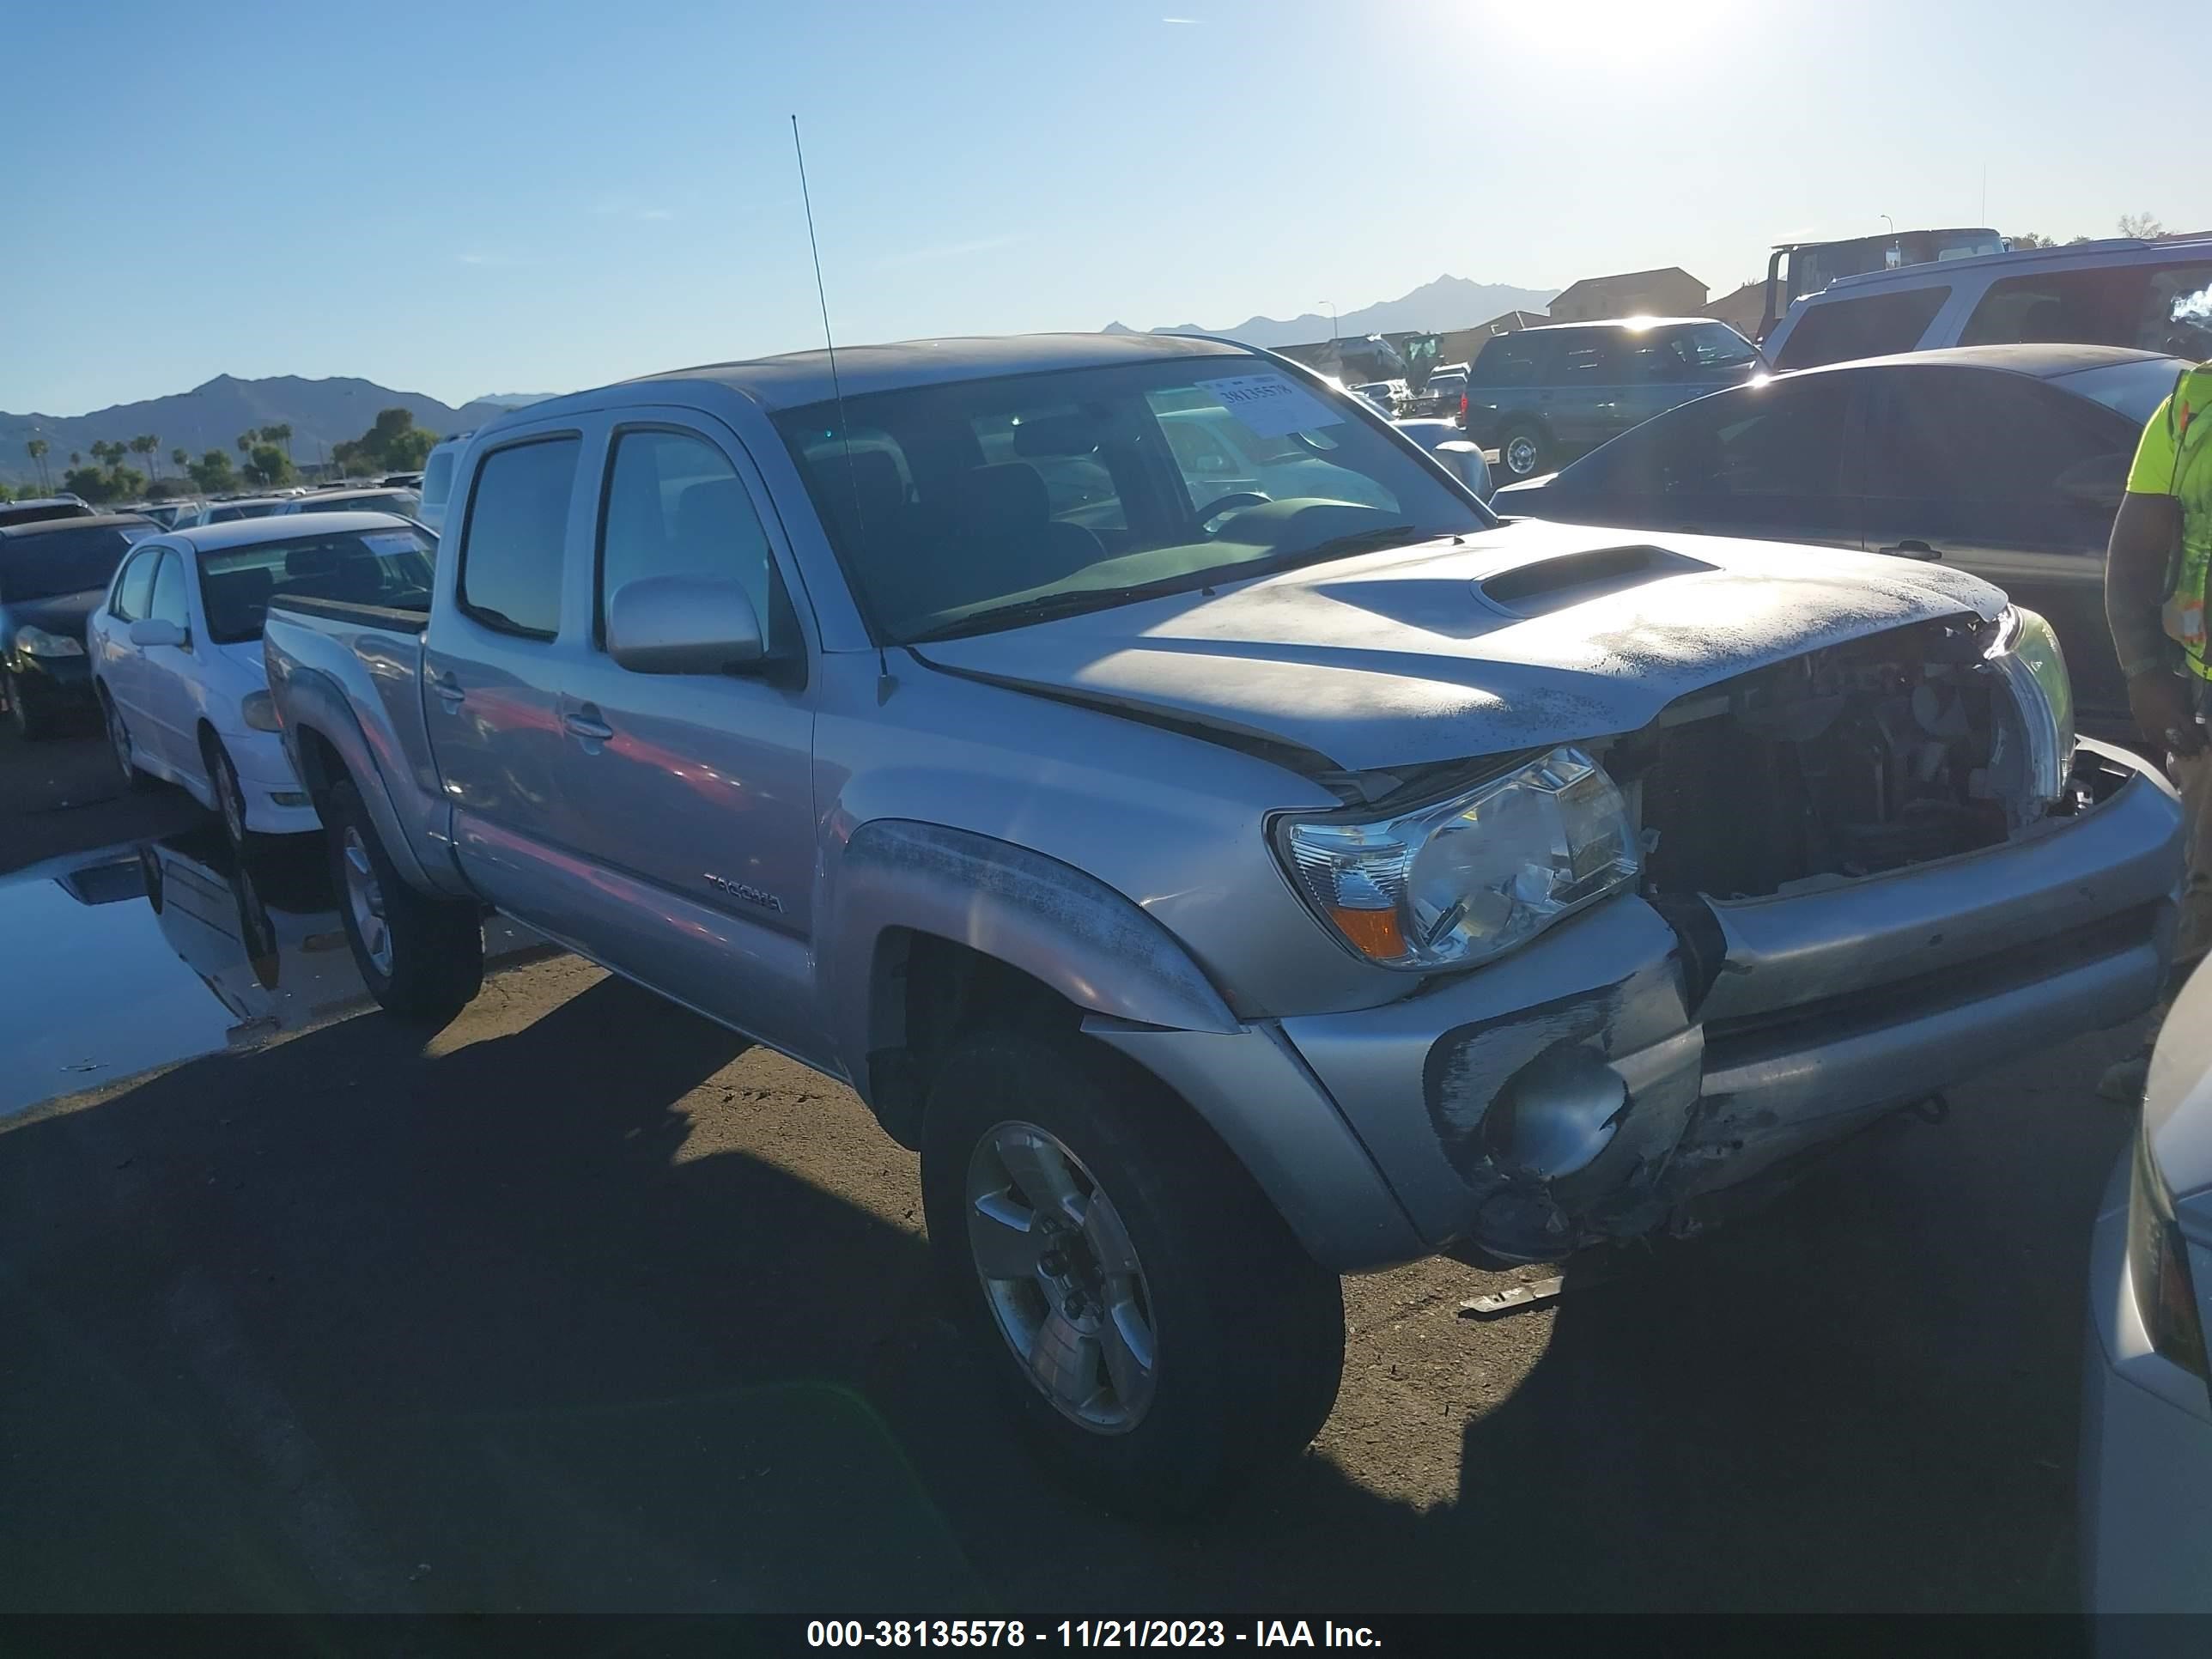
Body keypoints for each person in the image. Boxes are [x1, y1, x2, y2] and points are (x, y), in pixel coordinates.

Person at [2101, 356, 2212, 1098]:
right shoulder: (2191, 407)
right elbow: (2135, 552)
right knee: (2200, 882)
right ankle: (2175, 1061)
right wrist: (2144, 670)